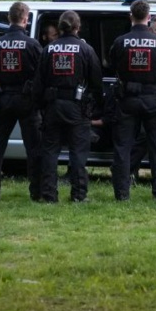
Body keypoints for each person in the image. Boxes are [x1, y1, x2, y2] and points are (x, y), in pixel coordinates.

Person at [108, 1, 156, 201]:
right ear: (149, 17)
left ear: (131, 16)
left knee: (123, 148)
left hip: (127, 100)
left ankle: (122, 194)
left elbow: (113, 65)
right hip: (153, 100)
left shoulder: (120, 42)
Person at [35, 10, 102, 203]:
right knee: (78, 152)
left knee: (50, 152)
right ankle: (79, 195)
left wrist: (41, 107)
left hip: (53, 106)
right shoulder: (85, 49)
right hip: (77, 107)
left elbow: (39, 82)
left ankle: (48, 195)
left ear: (60, 27)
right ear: (77, 27)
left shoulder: (48, 49)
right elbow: (96, 82)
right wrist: (93, 107)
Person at [0, 2, 44, 201]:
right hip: (27, 100)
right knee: (33, 147)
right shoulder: (33, 44)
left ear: (9, 19)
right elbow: (41, 73)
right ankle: (36, 191)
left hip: (4, 98)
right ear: (25, 19)